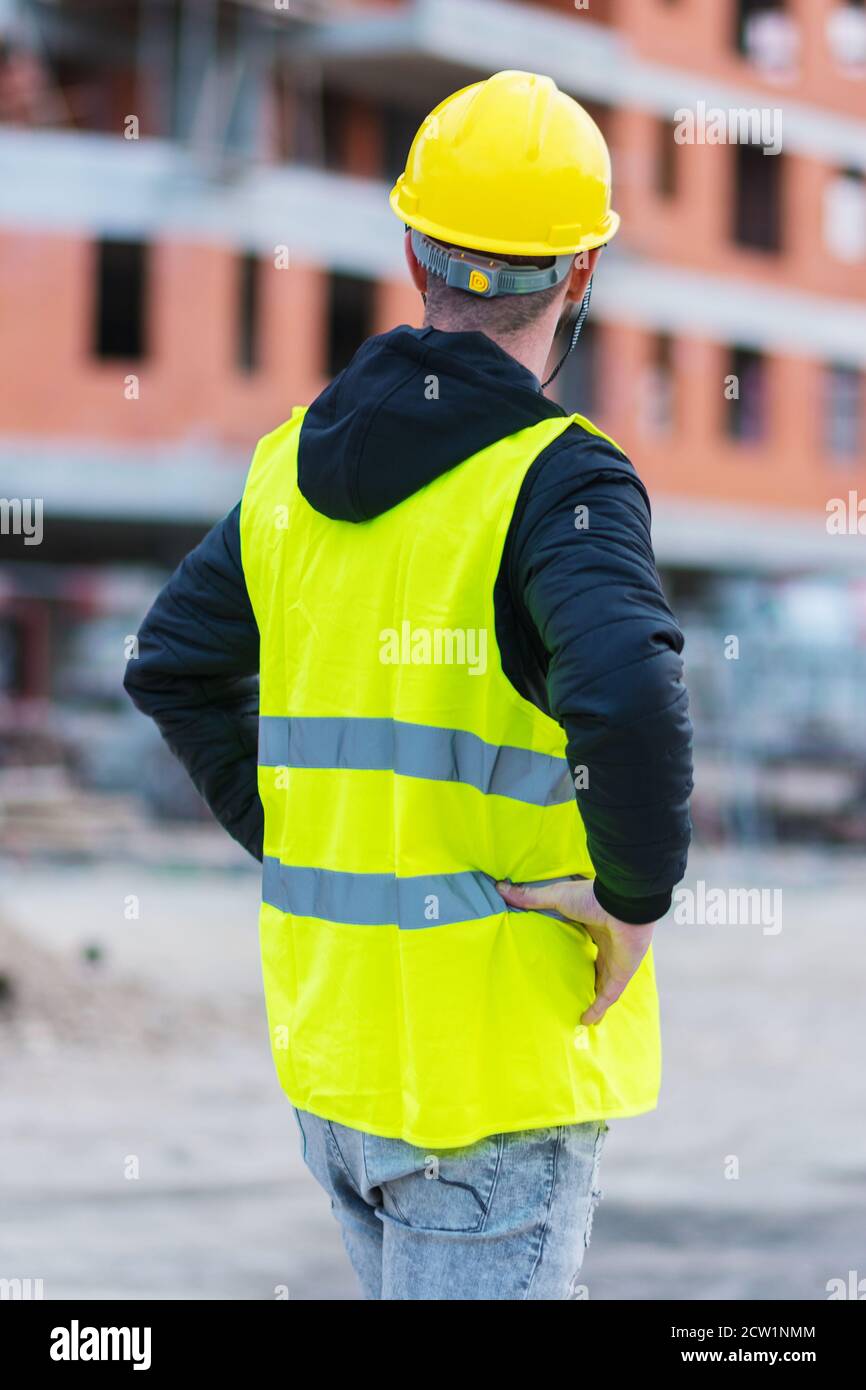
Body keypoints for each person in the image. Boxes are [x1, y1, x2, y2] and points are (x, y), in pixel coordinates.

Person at [125, 69, 693, 1301]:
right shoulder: (560, 482)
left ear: (410, 251)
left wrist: (301, 834)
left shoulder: (288, 469)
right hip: (488, 1088)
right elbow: (626, 696)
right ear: (580, 273)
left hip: (339, 1071)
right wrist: (632, 897)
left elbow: (170, 666)